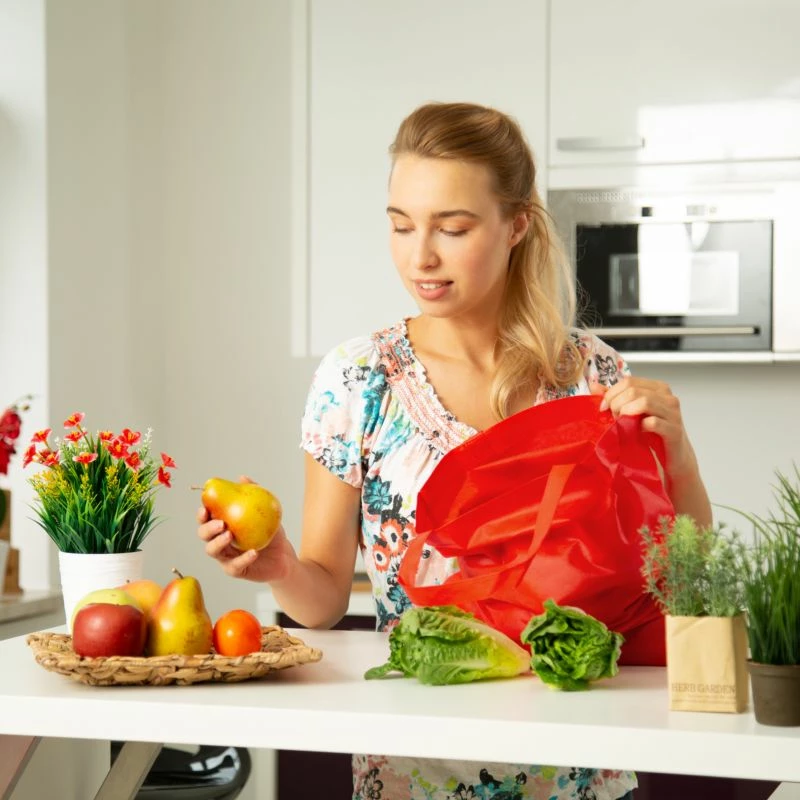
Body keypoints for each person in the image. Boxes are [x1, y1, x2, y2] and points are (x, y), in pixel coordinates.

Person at [198, 102, 712, 800]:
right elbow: (321, 602)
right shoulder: (359, 379)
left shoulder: (592, 374)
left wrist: (678, 456)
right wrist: (280, 565)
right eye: (401, 224)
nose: (421, 257)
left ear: (517, 224)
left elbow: (681, 578)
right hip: (415, 769)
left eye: (453, 228)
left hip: (582, 768)